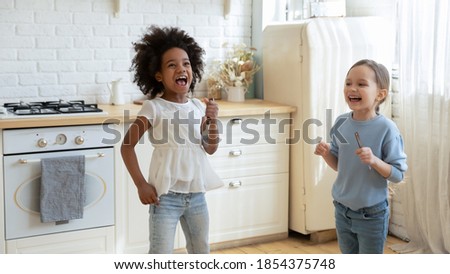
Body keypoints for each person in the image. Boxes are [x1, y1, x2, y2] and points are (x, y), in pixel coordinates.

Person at [121, 25, 223, 254]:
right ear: (158, 75)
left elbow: (210, 148)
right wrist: (141, 184)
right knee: (160, 254)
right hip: (164, 199)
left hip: (197, 196)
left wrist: (213, 120)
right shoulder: (153, 107)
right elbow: (127, 146)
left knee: (201, 251)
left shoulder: (198, 106)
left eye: (186, 63)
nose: (181, 68)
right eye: (172, 65)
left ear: (193, 68)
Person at [314, 59, 408, 254]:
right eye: (348, 83)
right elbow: (341, 166)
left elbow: (397, 175)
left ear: (380, 94)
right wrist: (326, 155)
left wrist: (374, 160)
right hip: (342, 210)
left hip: (372, 215)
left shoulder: (387, 129)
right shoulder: (340, 123)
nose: (352, 88)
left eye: (361, 84)